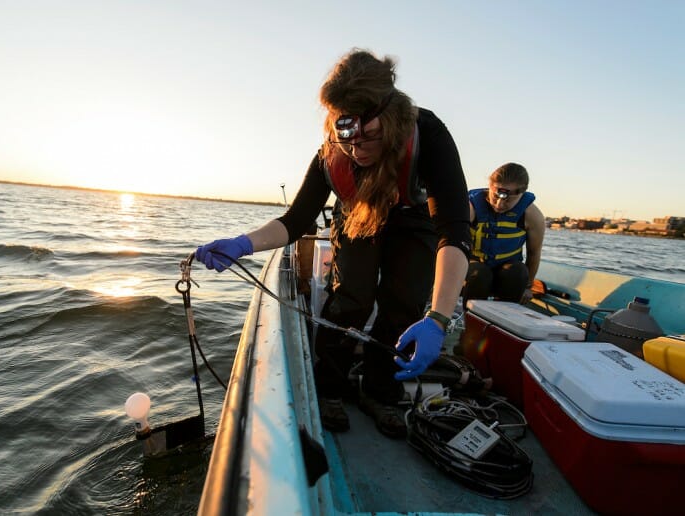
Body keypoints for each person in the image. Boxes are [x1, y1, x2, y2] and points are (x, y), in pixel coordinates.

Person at [196, 49, 471, 439]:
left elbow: (455, 229)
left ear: (391, 119)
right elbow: (295, 221)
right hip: (358, 216)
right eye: (348, 138)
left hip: (414, 219)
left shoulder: (429, 133)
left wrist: (439, 319)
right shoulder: (331, 154)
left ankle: (379, 391)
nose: (357, 151)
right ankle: (329, 389)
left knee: (403, 303)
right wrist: (242, 244)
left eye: (370, 137)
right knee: (351, 298)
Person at [464, 163, 545, 305]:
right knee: (480, 274)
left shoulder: (533, 215)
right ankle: (468, 317)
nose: (500, 205)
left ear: (522, 194)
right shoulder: (471, 208)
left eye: (508, 200)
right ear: (490, 186)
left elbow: (534, 253)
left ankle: (504, 314)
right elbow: (447, 243)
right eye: (495, 197)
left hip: (506, 271)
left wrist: (528, 287)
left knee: (518, 271)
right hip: (474, 268)